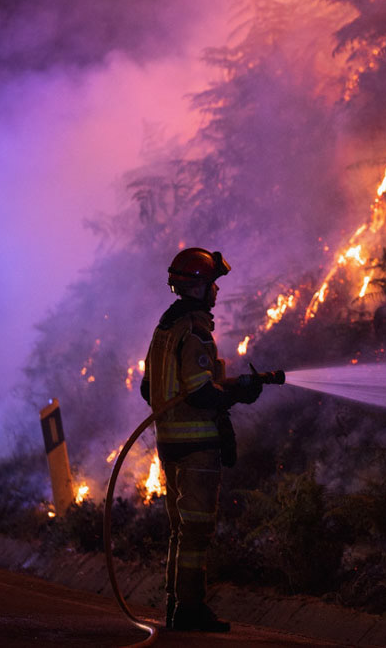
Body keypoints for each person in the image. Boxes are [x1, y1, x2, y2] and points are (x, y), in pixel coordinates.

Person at [139, 247, 263, 632]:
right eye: (213, 284)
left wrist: (229, 384)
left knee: (181, 530)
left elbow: (150, 388)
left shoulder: (165, 330)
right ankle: (189, 609)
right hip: (196, 450)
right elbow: (198, 394)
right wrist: (236, 394)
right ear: (199, 287)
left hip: (170, 445)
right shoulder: (194, 332)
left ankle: (178, 605)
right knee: (197, 531)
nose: (217, 292)